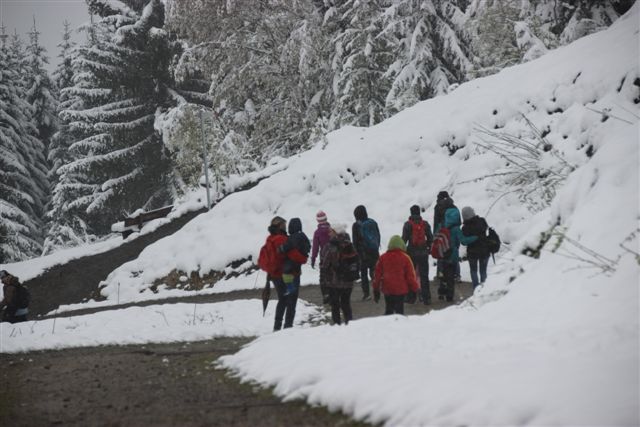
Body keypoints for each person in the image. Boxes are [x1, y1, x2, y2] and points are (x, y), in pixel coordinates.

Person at [372, 235, 419, 315]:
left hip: (387, 289)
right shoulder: (406, 258)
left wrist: (376, 290)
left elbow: (377, 276)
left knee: (389, 309)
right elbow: (410, 277)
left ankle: (388, 320)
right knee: (399, 311)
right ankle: (399, 321)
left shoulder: (383, 258)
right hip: (401, 290)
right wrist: (414, 289)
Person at [321, 225, 358, 325]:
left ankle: (337, 326)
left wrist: (324, 281)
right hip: (348, 280)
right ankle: (349, 324)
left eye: (331, 231)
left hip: (334, 281)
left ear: (335, 232)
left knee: (335, 306)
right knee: (346, 304)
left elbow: (325, 264)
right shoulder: (349, 244)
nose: (329, 233)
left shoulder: (330, 246)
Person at [258, 217, 289, 331]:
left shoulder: (270, 238)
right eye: (284, 224)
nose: (286, 226)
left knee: (283, 298)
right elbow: (283, 256)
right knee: (286, 299)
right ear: (280, 226)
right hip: (283, 273)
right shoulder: (280, 239)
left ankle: (278, 325)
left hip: (273, 275)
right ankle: (281, 326)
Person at [440, 207, 477, 302]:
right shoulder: (456, 229)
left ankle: (442, 292)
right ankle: (449, 296)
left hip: (443, 254)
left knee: (444, 274)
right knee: (451, 276)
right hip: (453, 255)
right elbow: (463, 241)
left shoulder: (442, 227)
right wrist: (475, 237)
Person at [278, 218, 310, 326]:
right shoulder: (303, 236)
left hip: (290, 268)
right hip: (297, 269)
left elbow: (287, 247)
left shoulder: (293, 237)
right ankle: (289, 323)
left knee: (288, 298)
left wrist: (281, 248)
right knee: (293, 299)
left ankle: (286, 324)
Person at [402, 205, 434, 304]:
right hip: (423, 253)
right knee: (424, 275)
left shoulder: (407, 224)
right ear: (419, 212)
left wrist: (403, 251)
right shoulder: (425, 224)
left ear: (411, 213)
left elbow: (404, 239)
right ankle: (426, 298)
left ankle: (411, 298)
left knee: (411, 275)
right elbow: (430, 238)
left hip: (411, 253)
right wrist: (427, 247)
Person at [352, 205, 380, 301]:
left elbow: (355, 241)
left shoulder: (356, 225)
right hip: (374, 251)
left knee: (364, 274)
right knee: (374, 272)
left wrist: (356, 253)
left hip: (363, 253)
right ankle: (376, 290)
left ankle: (366, 294)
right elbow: (378, 236)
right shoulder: (373, 222)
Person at [433, 191, 460, 285]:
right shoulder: (454, 207)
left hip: (442, 232)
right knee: (454, 252)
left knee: (441, 252)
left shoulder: (438, 207)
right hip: (454, 232)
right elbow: (459, 221)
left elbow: (436, 221)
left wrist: (435, 235)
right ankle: (457, 275)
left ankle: (440, 274)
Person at [461, 206, 490, 289]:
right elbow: (486, 229)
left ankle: (476, 289)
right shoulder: (482, 221)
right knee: (483, 271)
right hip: (484, 250)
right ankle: (484, 288)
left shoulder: (465, 228)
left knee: (473, 271)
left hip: (472, 252)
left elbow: (464, 241)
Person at [311, 210, 332, 303]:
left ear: (318, 221)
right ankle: (333, 294)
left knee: (323, 277)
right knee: (333, 275)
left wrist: (313, 258)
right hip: (334, 257)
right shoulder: (332, 230)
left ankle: (326, 295)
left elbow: (315, 247)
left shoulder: (317, 232)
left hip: (324, 257)